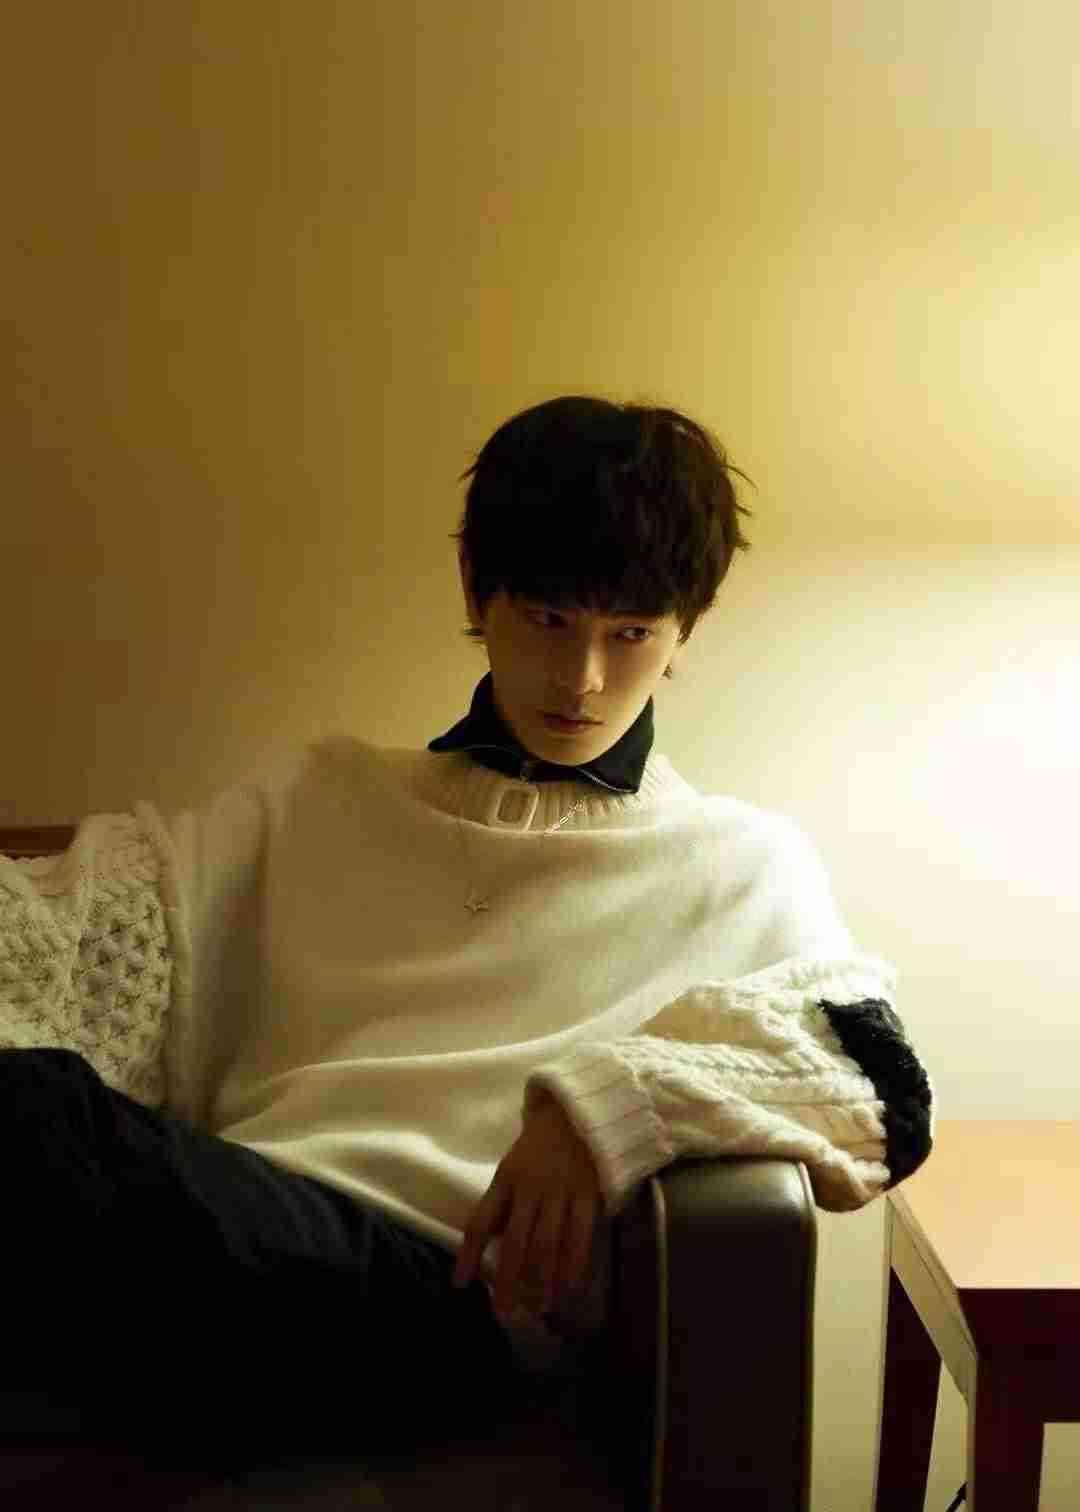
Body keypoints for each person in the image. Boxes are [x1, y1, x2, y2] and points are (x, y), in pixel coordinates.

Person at [0, 394, 934, 1475]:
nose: (583, 680)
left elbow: (883, 1091)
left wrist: (608, 1106)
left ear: (686, 631)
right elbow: (61, 929)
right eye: (548, 620)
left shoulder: (737, 862)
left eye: (630, 634)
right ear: (476, 594)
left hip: (448, 1301)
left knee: (37, 1124)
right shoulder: (323, 800)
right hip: (230, 1242)